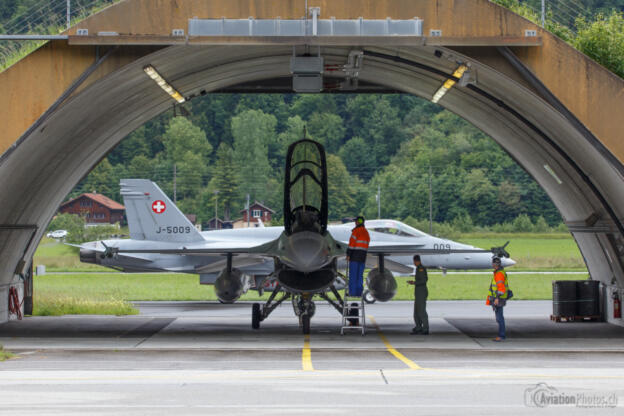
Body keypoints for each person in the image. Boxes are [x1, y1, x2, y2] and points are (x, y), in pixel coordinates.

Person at [486, 257, 509, 342]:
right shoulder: (499, 272)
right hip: (499, 298)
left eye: (493, 264)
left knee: (499, 318)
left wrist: (496, 299)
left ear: (494, 265)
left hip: (499, 298)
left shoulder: (499, 274)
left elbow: (501, 288)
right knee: (499, 317)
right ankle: (501, 335)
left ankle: (501, 336)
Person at [346, 216, 370, 297]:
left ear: (358, 222)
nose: (355, 222)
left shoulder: (356, 231)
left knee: (353, 276)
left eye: (356, 221)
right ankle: (359, 293)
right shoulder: (366, 232)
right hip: (362, 257)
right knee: (360, 276)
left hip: (354, 257)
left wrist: (348, 254)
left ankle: (352, 293)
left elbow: (351, 245)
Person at [407, 255, 429, 335]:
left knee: (422, 311)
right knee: (416, 312)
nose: (414, 263)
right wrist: (414, 282)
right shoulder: (418, 268)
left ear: (417, 261)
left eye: (414, 261)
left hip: (421, 293)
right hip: (418, 293)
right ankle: (418, 327)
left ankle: (425, 328)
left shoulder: (421, 269)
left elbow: (424, 280)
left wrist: (414, 283)